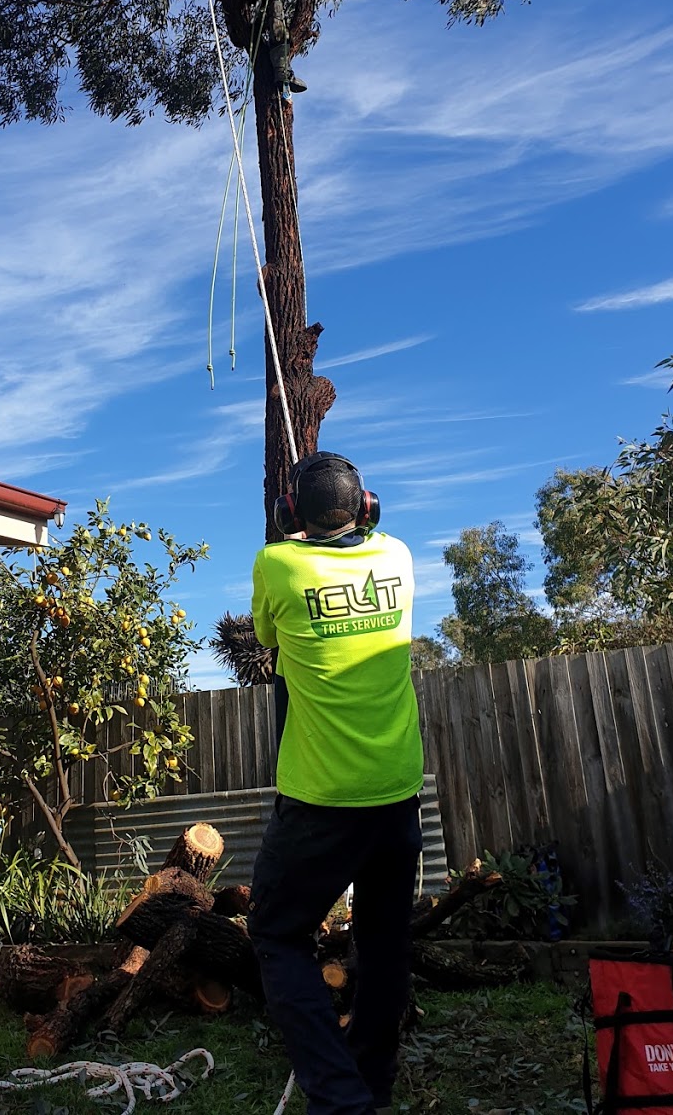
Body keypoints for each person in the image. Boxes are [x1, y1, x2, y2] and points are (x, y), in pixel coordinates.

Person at [248, 451, 424, 1115]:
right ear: (367, 506)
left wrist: (291, 540)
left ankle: (342, 1098)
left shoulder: (277, 563)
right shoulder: (400, 557)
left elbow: (267, 632)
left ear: (290, 512)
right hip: (397, 785)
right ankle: (371, 1084)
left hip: (321, 796)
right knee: (384, 938)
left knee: (275, 931)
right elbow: (369, 539)